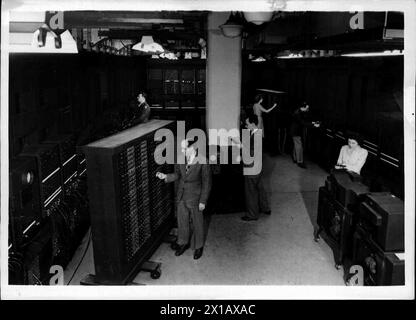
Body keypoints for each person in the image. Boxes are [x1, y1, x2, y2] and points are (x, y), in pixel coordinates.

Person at [156, 139, 212, 260]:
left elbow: (207, 183)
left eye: (184, 148)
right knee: (182, 221)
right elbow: (177, 175)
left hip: (195, 197)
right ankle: (183, 243)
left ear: (193, 148)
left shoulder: (203, 161)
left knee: (197, 223)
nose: (182, 151)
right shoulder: (180, 159)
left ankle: (198, 246)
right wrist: (166, 176)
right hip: (181, 195)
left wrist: (203, 201)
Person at [240, 114, 271, 221]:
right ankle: (265, 208)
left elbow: (250, 152)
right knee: (260, 187)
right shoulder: (257, 132)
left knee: (251, 191)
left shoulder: (256, 135)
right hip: (258, 166)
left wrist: (239, 145)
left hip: (252, 167)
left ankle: (252, 215)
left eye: (247, 124)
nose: (245, 125)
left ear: (253, 124)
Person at [290, 101, 310, 169]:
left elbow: (303, 120)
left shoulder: (299, 111)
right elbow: (302, 123)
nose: (308, 109)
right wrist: (313, 124)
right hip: (295, 132)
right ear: (303, 107)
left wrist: (311, 122)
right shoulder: (297, 113)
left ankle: (295, 159)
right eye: (307, 108)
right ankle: (300, 162)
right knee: (299, 147)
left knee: (296, 145)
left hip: (295, 131)